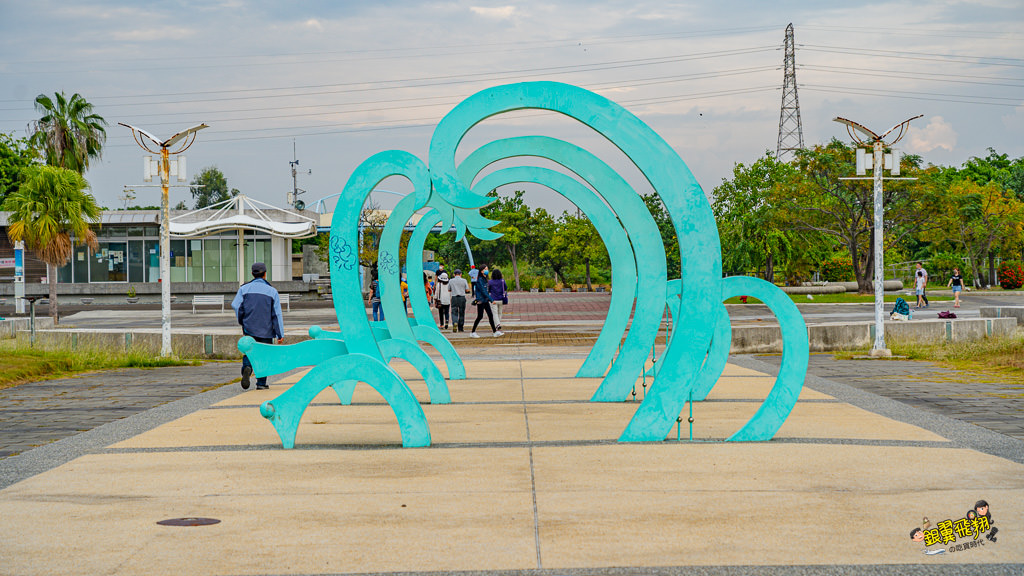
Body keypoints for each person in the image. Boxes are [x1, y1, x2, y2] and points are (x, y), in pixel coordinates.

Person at [232, 262, 284, 390]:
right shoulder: (272, 291)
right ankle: (261, 383)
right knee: (264, 355)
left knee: (249, 351)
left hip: (249, 327)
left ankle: (247, 368)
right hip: (267, 330)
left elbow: (236, 306)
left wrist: (242, 321)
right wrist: (280, 334)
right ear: (265, 274)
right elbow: (276, 314)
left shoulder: (244, 289)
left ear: (252, 274)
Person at [471, 268, 503, 338]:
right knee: (480, 316)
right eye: (485, 269)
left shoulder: (485, 279)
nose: (486, 270)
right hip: (481, 300)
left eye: (487, 269)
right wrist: (491, 299)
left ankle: (495, 332)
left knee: (490, 316)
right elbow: (483, 291)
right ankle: (473, 332)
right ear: (481, 271)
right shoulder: (479, 280)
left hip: (485, 300)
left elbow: (486, 290)